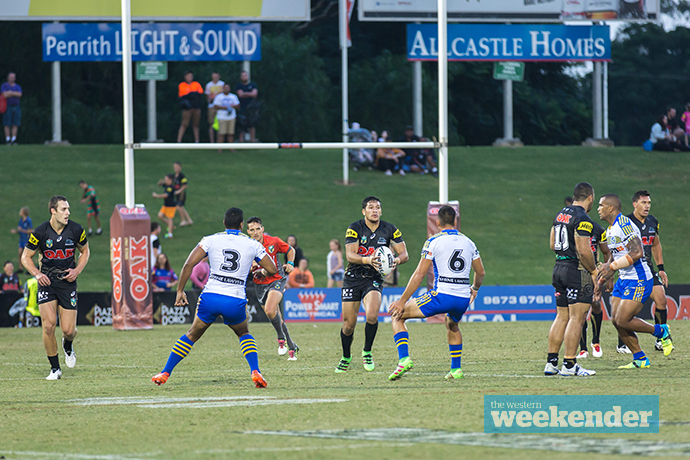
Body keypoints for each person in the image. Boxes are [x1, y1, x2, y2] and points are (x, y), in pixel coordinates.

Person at [152, 207, 276, 387]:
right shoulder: (253, 244)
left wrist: (180, 290)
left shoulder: (210, 240)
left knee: (192, 334)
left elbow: (189, 265)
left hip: (210, 297)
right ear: (242, 225)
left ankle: (165, 373)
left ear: (224, 223)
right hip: (235, 298)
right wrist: (258, 269)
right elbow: (272, 269)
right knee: (243, 333)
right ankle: (255, 371)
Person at [388, 205, 485, 380]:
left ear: (438, 222)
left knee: (398, 316)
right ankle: (456, 369)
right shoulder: (469, 242)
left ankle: (404, 360)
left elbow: (419, 274)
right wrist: (475, 289)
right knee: (452, 324)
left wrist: (402, 300)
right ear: (455, 221)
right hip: (463, 298)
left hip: (442, 296)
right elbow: (481, 272)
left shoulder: (433, 241)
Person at [596, 194, 674, 369]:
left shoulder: (623, 225)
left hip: (639, 279)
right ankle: (640, 358)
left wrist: (612, 267)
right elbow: (616, 257)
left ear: (610, 208)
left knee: (623, 319)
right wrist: (606, 277)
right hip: (624, 279)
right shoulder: (609, 230)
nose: (598, 209)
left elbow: (637, 252)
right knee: (616, 320)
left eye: (601, 205)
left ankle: (661, 331)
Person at [336, 196, 409, 373]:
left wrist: (396, 261)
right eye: (370, 207)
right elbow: (350, 255)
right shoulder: (355, 228)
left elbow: (404, 254)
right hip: (352, 277)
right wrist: (368, 259)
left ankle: (367, 351)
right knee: (348, 325)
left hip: (373, 278)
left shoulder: (390, 229)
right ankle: (346, 356)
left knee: (372, 316)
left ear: (381, 211)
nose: (374, 210)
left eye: (377, 207)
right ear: (364, 211)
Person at [21, 195, 90, 380]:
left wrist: (77, 271)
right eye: (63, 209)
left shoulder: (76, 230)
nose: (68, 213)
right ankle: (55, 369)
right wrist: (37, 274)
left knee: (68, 330)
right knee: (48, 326)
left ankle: (68, 345)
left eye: (68, 209)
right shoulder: (40, 232)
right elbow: (25, 257)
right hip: (47, 283)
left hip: (68, 283)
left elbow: (84, 252)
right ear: (53, 211)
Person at [544, 182, 598, 377]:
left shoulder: (560, 215)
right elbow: (584, 250)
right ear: (590, 197)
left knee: (561, 316)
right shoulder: (583, 218)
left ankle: (551, 363)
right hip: (576, 270)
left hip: (558, 267)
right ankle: (569, 365)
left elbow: (552, 244)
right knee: (577, 319)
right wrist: (593, 271)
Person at [246, 216, 300, 360]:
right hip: (259, 284)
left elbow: (290, 250)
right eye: (252, 230)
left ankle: (280, 338)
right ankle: (291, 345)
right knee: (275, 315)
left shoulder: (273, 241)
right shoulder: (247, 245)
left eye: (258, 229)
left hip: (277, 279)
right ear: (248, 232)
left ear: (262, 229)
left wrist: (290, 263)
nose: (256, 232)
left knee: (271, 310)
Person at [627, 190, 672, 354]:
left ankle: (661, 339)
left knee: (661, 299)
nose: (647, 206)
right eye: (643, 203)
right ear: (635, 204)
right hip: (631, 270)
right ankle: (623, 341)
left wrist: (661, 269)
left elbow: (655, 244)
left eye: (649, 203)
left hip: (648, 269)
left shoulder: (653, 222)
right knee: (628, 309)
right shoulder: (626, 222)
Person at [577, 218, 611, 359]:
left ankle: (595, 342)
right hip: (576, 271)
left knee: (595, 303)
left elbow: (607, 252)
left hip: (593, 271)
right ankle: (583, 349)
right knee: (579, 310)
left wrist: (609, 275)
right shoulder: (573, 227)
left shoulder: (598, 229)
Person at [176, 71, 204, 143]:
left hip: (196, 107)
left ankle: (197, 140)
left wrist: (191, 95)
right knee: (184, 123)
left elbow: (199, 93)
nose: (190, 78)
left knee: (196, 124)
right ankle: (179, 140)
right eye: (188, 76)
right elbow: (182, 96)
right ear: (185, 77)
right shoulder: (182, 85)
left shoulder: (196, 84)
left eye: (191, 76)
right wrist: (191, 95)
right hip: (187, 108)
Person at [213, 83, 241, 150]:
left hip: (231, 117)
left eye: (228, 88)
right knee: (221, 133)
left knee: (231, 133)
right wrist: (224, 107)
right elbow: (215, 106)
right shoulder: (219, 97)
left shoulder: (233, 96)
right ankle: (219, 148)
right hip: (222, 117)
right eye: (225, 88)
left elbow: (238, 105)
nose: (226, 89)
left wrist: (231, 106)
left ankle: (231, 148)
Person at [236, 70, 259, 142]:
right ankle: (241, 141)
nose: (244, 77)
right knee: (241, 124)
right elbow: (240, 94)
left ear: (248, 76)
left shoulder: (253, 85)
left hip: (252, 108)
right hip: (242, 108)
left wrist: (244, 94)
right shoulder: (239, 86)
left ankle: (252, 140)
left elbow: (254, 94)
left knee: (252, 124)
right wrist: (249, 93)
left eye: (245, 75)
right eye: (242, 76)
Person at [152, 174, 176, 239]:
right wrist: (160, 182)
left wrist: (157, 196)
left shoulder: (170, 187)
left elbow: (166, 195)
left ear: (170, 180)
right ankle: (171, 226)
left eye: (166, 180)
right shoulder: (166, 185)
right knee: (160, 215)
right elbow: (160, 184)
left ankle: (170, 234)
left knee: (169, 218)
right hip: (166, 205)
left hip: (171, 206)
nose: (165, 181)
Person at [2, 72, 22, 145]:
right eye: (11, 77)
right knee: (7, 123)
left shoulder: (18, 86)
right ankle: (7, 139)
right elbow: (4, 95)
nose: (12, 78)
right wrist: (14, 94)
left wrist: (10, 92)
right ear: (8, 78)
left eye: (14, 77)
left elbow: (19, 94)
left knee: (15, 123)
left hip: (16, 106)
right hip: (8, 106)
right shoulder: (4, 85)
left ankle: (14, 139)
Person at [205, 71, 224, 143]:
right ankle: (212, 142)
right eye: (214, 77)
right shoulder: (209, 85)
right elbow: (208, 97)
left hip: (220, 106)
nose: (215, 78)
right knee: (211, 124)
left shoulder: (222, 84)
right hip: (211, 106)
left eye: (216, 76)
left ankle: (219, 142)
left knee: (220, 123)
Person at [173, 162, 193, 227]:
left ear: (180, 168)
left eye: (177, 167)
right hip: (177, 194)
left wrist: (179, 191)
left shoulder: (182, 176)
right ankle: (189, 220)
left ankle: (183, 220)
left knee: (178, 207)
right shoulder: (174, 176)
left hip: (181, 194)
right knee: (181, 207)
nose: (175, 168)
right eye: (174, 167)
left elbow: (185, 185)